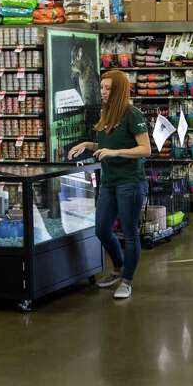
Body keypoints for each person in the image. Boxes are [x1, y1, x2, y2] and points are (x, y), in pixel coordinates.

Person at [69, 70, 151, 300]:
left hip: (130, 183)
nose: (103, 92)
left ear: (119, 90)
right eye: (102, 88)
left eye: (108, 88)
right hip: (109, 183)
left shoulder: (132, 114)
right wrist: (88, 144)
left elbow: (145, 149)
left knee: (130, 233)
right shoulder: (106, 113)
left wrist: (116, 152)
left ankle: (127, 280)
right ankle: (118, 268)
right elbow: (104, 146)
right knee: (102, 229)